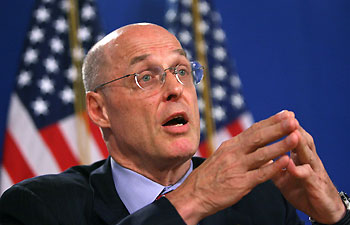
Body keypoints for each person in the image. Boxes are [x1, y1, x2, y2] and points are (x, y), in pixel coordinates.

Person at [0, 23, 349, 225]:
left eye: (182, 71)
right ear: (99, 109)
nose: (175, 90)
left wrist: (336, 217)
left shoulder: (264, 202)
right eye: (146, 77)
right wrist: (190, 199)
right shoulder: (38, 207)